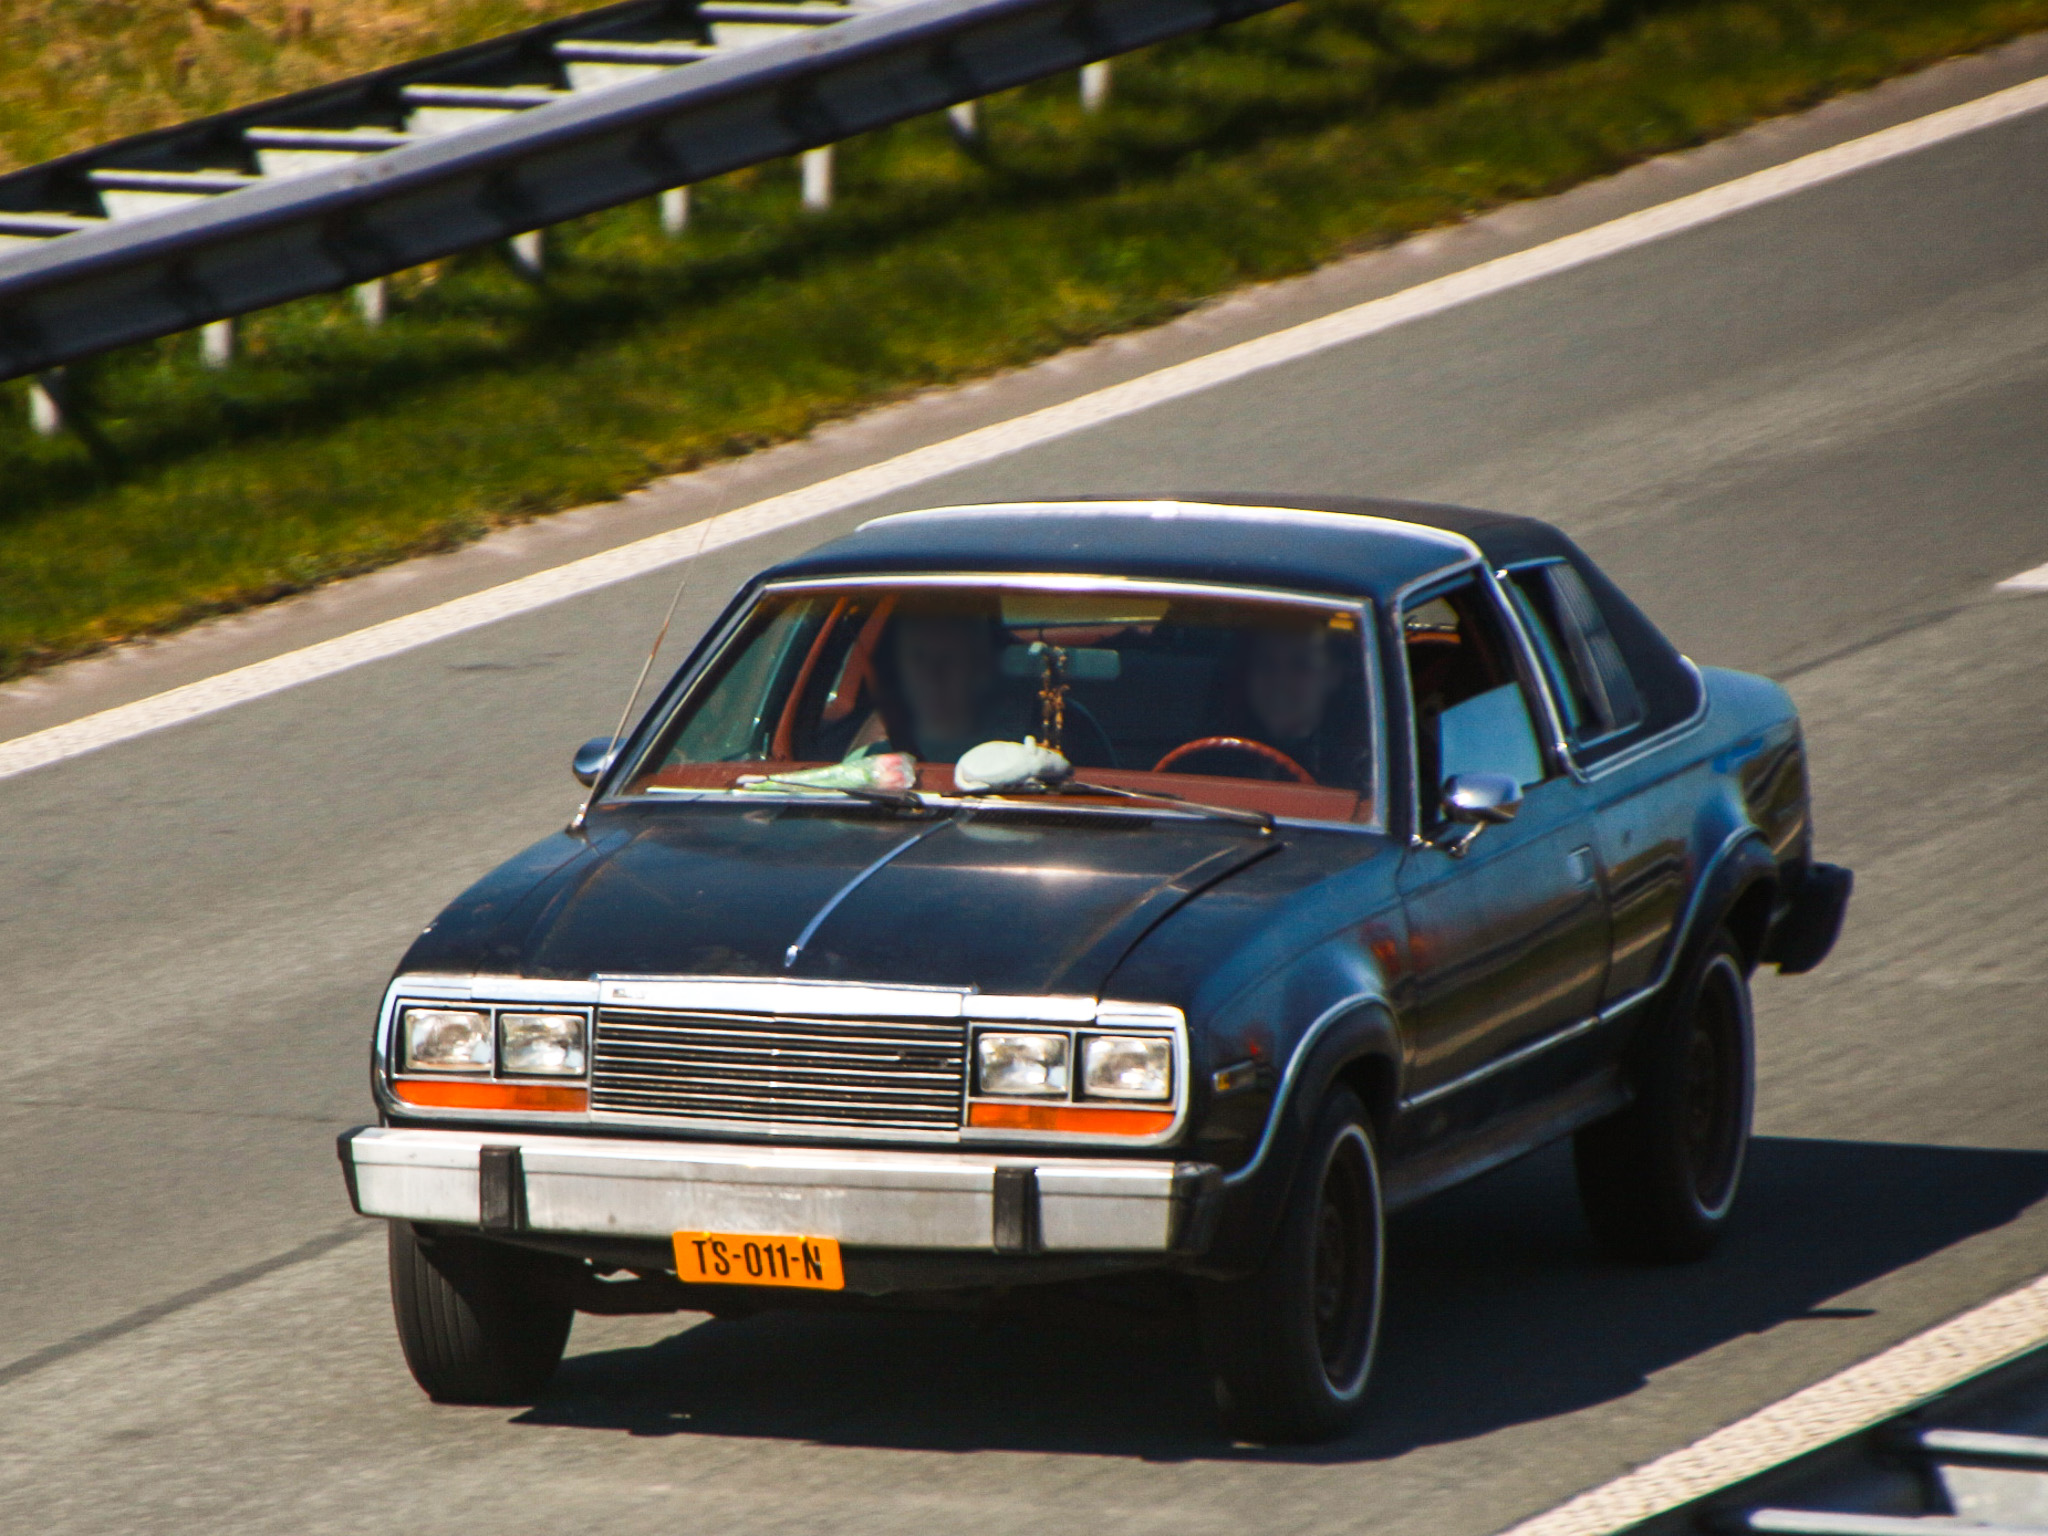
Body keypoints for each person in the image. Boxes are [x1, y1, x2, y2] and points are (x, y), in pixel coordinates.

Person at [847, 612, 1030, 765]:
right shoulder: (868, 765)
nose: (932, 674)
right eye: (919, 659)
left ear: (977, 670)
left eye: (948, 659)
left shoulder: (1024, 759)